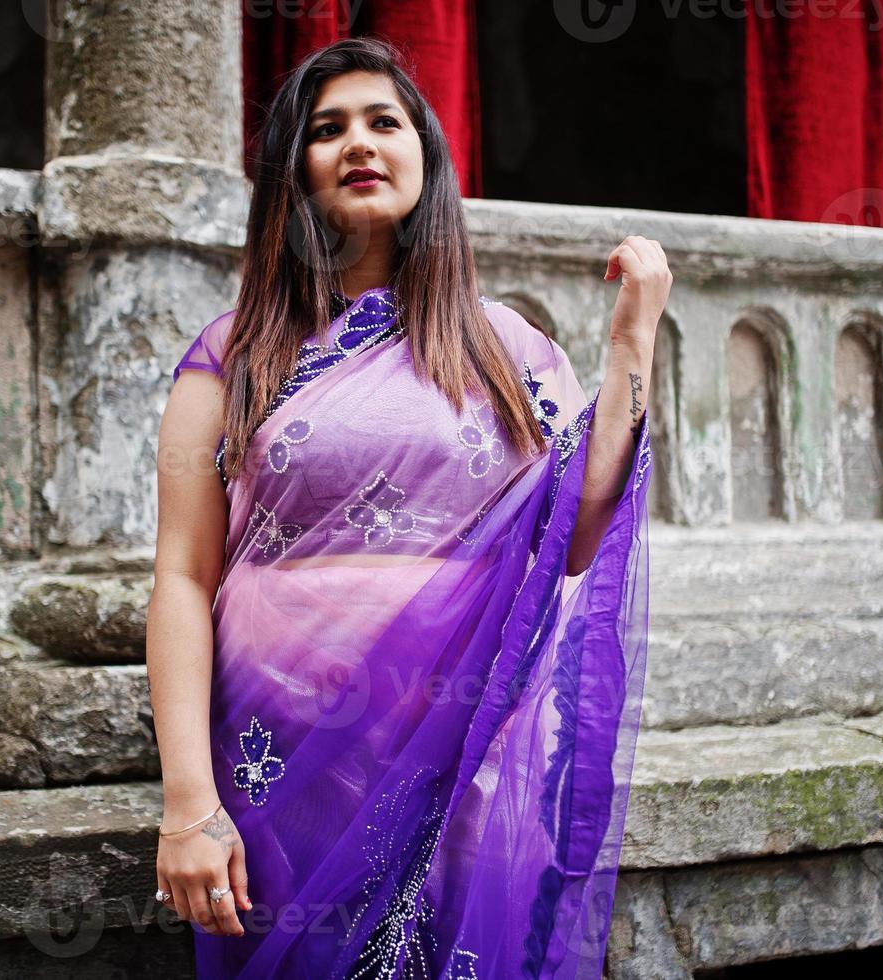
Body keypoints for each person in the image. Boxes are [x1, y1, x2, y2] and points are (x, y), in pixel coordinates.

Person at [146, 35, 667, 979]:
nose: (359, 142)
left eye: (384, 122)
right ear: (291, 174)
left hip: (461, 743)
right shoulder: (232, 354)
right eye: (326, 128)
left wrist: (633, 341)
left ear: (424, 156)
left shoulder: (503, 345)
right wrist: (189, 802)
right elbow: (183, 577)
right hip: (280, 752)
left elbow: (580, 532)